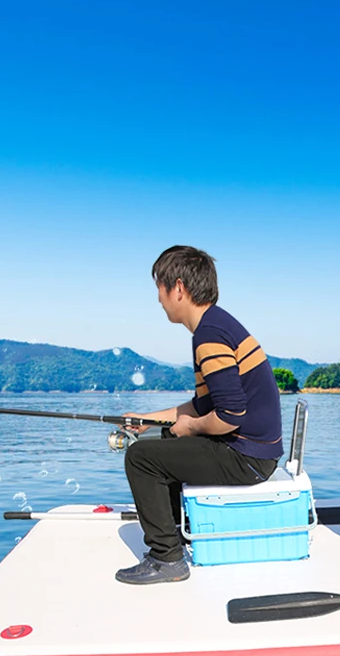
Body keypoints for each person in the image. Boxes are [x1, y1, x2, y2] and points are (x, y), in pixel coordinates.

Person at [115, 246, 284, 585]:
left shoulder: (209, 336)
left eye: (160, 289)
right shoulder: (217, 325)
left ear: (178, 288)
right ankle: (175, 532)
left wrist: (191, 428)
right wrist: (149, 420)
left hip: (247, 457)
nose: (159, 299)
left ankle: (167, 559)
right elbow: (202, 406)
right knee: (161, 439)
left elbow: (230, 415)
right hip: (254, 451)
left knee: (140, 457)